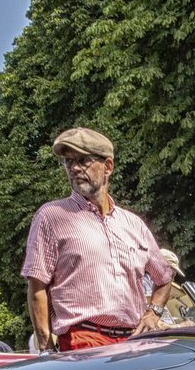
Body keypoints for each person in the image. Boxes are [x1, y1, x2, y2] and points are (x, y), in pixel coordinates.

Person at [22, 127, 174, 351]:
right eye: (68, 161)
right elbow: (37, 286)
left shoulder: (133, 224)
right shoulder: (51, 216)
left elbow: (164, 277)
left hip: (134, 342)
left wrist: (153, 313)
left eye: (83, 160)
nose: (74, 168)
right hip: (82, 341)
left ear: (108, 167)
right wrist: (45, 347)